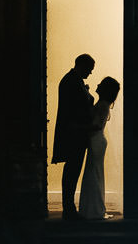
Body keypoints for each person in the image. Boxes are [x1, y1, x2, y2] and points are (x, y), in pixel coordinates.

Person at [52, 53, 95, 221]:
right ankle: (69, 208)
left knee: (72, 171)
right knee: (72, 172)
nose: (90, 72)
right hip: (74, 135)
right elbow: (73, 110)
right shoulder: (72, 82)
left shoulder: (71, 81)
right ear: (82, 66)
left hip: (75, 134)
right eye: (89, 69)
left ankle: (69, 207)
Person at [79, 76, 120, 221]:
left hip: (95, 140)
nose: (98, 84)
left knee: (93, 175)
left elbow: (95, 125)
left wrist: (79, 128)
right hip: (98, 141)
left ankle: (92, 210)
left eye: (101, 84)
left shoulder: (102, 104)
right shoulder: (104, 104)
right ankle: (94, 209)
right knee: (95, 174)